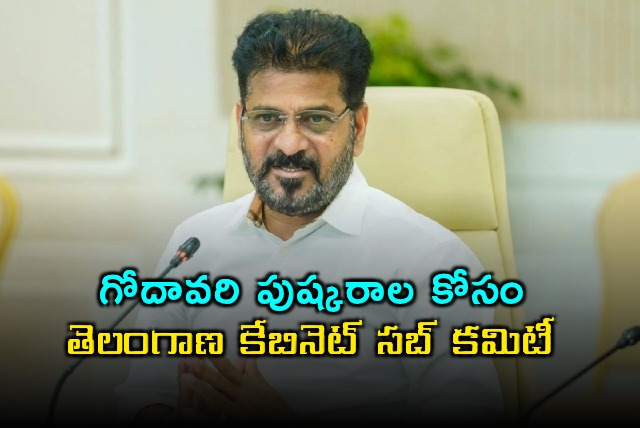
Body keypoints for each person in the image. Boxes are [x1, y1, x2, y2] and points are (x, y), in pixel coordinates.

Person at [116, 9, 503, 426]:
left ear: (358, 127)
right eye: (267, 118)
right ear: (240, 123)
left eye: (315, 119)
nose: (289, 144)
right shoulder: (194, 245)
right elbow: (143, 393)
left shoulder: (432, 263)